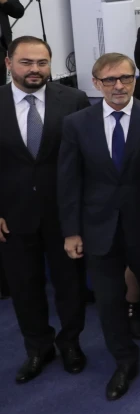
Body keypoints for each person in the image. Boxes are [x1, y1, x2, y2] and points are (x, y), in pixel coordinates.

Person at [59, 54, 140, 400]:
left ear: (135, 80)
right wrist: (71, 231)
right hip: (98, 228)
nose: (118, 86)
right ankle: (124, 360)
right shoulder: (75, 124)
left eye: (125, 79)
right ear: (96, 83)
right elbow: (68, 182)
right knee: (109, 300)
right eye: (110, 80)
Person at [1, 37, 92, 383]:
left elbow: (86, 159)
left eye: (42, 62)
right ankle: (38, 347)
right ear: (9, 63)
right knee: (24, 287)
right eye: (26, 62)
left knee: (70, 284)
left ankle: (70, 343)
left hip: (64, 214)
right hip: (12, 216)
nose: (35, 70)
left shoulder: (74, 100)